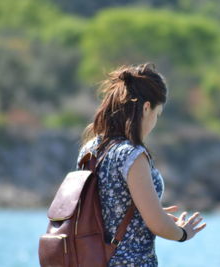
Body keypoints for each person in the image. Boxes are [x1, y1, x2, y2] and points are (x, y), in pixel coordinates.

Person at [76, 63, 207, 266]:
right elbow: (157, 225)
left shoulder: (90, 149)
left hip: (91, 260)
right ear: (147, 108)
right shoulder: (132, 155)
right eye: (157, 114)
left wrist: (148, 212)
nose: (155, 121)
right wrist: (183, 233)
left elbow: (104, 208)